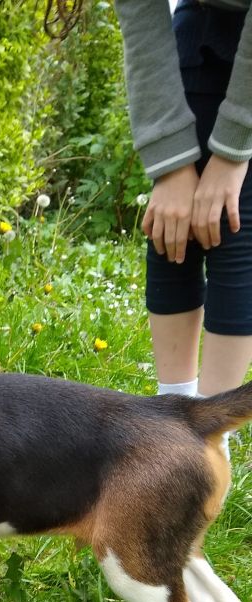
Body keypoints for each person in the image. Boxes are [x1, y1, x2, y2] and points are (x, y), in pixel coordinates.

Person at [47, 0, 252, 403]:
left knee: (235, 223)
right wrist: (171, 166)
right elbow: (142, 14)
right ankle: (175, 422)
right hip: (199, 37)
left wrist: (231, 153)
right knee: (173, 232)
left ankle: (214, 435)